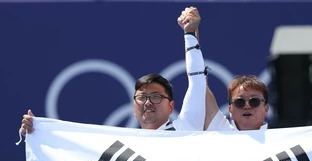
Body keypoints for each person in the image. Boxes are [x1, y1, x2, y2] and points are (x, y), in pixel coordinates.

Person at [20, 7, 207, 134]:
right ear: (134, 105)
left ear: (171, 106)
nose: (148, 102)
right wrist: (39, 132)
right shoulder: (122, 146)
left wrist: (190, 34)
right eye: (142, 97)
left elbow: (197, 81)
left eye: (156, 96)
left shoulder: (186, 131)